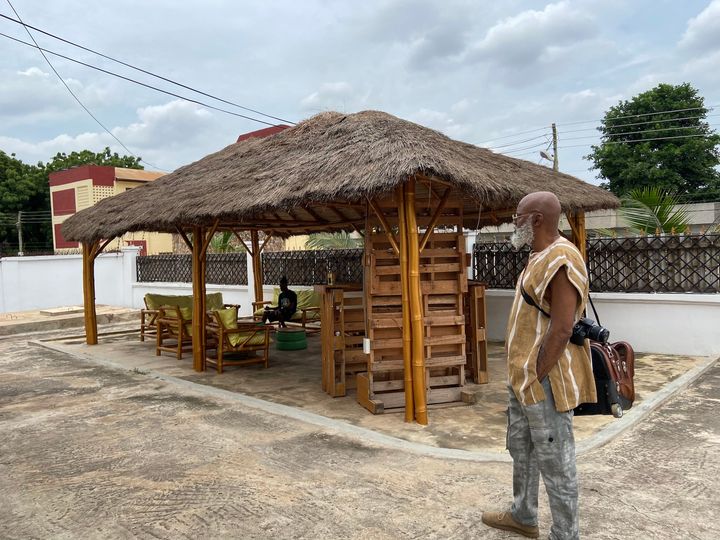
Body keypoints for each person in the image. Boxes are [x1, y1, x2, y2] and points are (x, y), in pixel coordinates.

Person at [482, 192, 597, 540]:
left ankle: (565, 533)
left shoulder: (561, 258)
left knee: (556, 460)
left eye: (518, 216)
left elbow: (562, 327)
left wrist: (537, 374)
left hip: (544, 381)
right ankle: (523, 515)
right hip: (523, 378)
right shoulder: (539, 256)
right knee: (522, 449)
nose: (513, 222)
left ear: (536, 219)